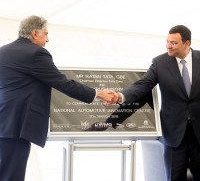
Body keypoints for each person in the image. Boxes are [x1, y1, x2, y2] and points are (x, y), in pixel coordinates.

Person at [0, 15, 115, 181]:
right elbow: (63, 83)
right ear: (34, 33)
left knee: (6, 172)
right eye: (45, 34)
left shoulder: (3, 51)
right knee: (12, 175)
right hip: (17, 124)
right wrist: (98, 94)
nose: (47, 39)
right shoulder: (36, 53)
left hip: (4, 121)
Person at [106, 25, 200, 181]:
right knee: (174, 176)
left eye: (174, 43)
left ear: (187, 43)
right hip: (173, 132)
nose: (168, 46)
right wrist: (120, 95)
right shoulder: (159, 62)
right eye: (167, 41)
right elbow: (142, 85)